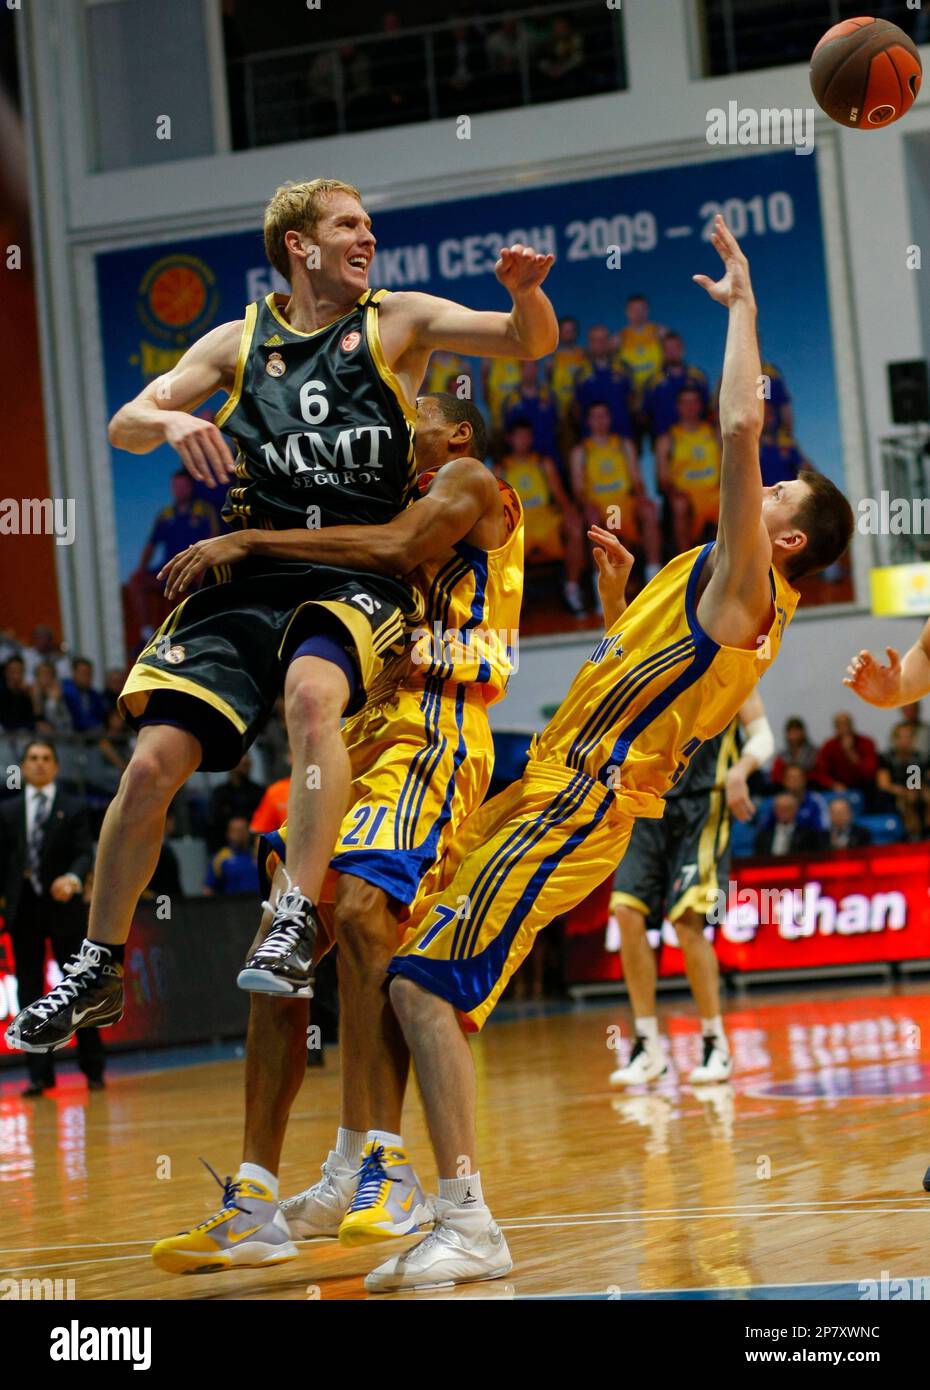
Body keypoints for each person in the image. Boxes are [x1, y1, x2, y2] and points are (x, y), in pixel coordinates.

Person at [362, 216, 853, 1292]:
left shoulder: (749, 586)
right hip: (544, 779)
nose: (760, 488)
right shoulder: (701, 581)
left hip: (581, 803)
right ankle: (397, 1182)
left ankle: (464, 1213)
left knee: (421, 981)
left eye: (775, 496)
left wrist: (744, 310)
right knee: (408, 966)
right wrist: (623, 591)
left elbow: (733, 430)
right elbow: (648, 667)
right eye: (767, 484)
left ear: (789, 543)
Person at [6, 176, 556, 1059]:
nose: (366, 236)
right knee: (149, 766)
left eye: (368, 224)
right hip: (244, 574)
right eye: (348, 225)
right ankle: (97, 967)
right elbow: (124, 423)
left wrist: (525, 293)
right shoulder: (236, 339)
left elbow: (522, 342)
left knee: (310, 700)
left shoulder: (399, 320)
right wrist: (167, 418)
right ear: (298, 245)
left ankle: (295, 916)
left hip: (350, 572)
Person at [149, 392, 524, 1272]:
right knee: (276, 952)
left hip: (435, 730)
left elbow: (404, 556)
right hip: (354, 744)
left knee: (361, 913)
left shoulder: (466, 481)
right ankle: (253, 1195)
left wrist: (250, 541)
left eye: (417, 405)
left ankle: (380, 1164)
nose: (396, 417)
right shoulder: (371, 498)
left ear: (458, 431)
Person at [609, 690, 774, 1089]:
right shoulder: (649, 661)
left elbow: (763, 736)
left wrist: (741, 770)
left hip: (704, 805)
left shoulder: (729, 662)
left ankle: (715, 1042)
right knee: (626, 911)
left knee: (687, 921)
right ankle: (647, 1047)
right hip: (646, 802)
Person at [0, 740, 102, 1095]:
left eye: (46, 758)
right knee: (29, 992)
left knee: (78, 986)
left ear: (56, 767)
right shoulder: (8, 811)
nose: (39, 764)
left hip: (64, 909)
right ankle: (39, 1075)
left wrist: (73, 879)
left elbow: (84, 852)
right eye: (32, 759)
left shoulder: (73, 808)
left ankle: (93, 1069)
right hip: (24, 909)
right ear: (23, 767)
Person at [494, 419, 586, 616]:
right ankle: (511, 598)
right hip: (518, 526)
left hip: (546, 521)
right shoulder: (501, 469)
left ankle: (572, 588)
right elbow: (495, 507)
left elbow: (560, 496)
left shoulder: (543, 464)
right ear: (510, 439)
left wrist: (571, 513)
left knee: (575, 529)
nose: (523, 441)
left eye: (527, 436)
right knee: (495, 538)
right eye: (519, 437)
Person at [569, 400, 661, 589]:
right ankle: (601, 588)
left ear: (609, 419)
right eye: (595, 417)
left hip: (624, 504)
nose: (600, 421)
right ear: (589, 421)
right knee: (598, 524)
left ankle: (653, 576)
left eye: (603, 416)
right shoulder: (581, 452)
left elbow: (636, 480)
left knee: (649, 512)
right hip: (600, 507)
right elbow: (578, 490)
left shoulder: (623, 445)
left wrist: (642, 498)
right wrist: (587, 505)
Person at [656, 384, 721, 554]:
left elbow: (729, 467)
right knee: (679, 505)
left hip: (714, 494)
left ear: (700, 405)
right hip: (686, 494)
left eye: (694, 402)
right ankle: (685, 565)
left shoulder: (714, 433)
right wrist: (673, 492)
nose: (690, 407)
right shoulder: (668, 438)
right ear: (678, 407)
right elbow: (662, 480)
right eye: (685, 403)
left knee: (736, 501)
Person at [876, 720, 928, 839]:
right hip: (890, 797)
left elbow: (914, 783)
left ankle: (926, 832)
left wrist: (916, 791)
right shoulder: (886, 758)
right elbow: (884, 784)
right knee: (907, 799)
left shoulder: (917, 758)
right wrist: (903, 792)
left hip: (913, 794)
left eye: (909, 737)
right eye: (902, 737)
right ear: (895, 739)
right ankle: (912, 834)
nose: (905, 741)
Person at [813, 712, 879, 799]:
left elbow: (870, 772)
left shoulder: (866, 743)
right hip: (837, 788)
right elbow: (821, 772)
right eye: (839, 724)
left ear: (852, 725)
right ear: (835, 727)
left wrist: (850, 753)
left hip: (863, 788)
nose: (843, 727)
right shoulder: (829, 745)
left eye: (846, 723)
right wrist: (832, 784)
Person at [207, 753, 264, 851]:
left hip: (253, 845)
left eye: (247, 765)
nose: (245, 767)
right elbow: (213, 821)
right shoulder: (220, 793)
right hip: (224, 846)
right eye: (242, 764)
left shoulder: (259, 792)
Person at [204, 816, 260, 896]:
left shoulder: (258, 854)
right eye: (234, 830)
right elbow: (208, 888)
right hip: (232, 905)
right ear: (228, 833)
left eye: (242, 830)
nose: (238, 834)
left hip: (259, 903)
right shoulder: (221, 857)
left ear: (248, 832)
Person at [753, 792, 822, 857]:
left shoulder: (808, 834)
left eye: (788, 808)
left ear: (796, 810)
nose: (784, 812)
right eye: (780, 808)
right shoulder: (763, 835)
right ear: (774, 810)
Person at [61, 657, 107, 735]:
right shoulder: (64, 691)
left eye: (89, 674)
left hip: (92, 737)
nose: (87, 677)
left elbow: (100, 717)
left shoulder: (94, 695)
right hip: (70, 737)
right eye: (83, 673)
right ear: (74, 673)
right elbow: (76, 719)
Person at [770, 715, 818, 785]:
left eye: (796, 732)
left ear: (803, 733)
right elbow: (776, 777)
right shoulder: (782, 755)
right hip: (786, 788)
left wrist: (801, 778)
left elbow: (819, 775)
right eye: (791, 732)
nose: (794, 735)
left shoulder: (814, 753)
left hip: (810, 786)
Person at [0, 655, 35, 732]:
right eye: (12, 671)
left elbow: (33, 720)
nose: (16, 675)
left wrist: (33, 696)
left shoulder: (27, 694)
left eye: (19, 671)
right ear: (6, 672)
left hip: (23, 734)